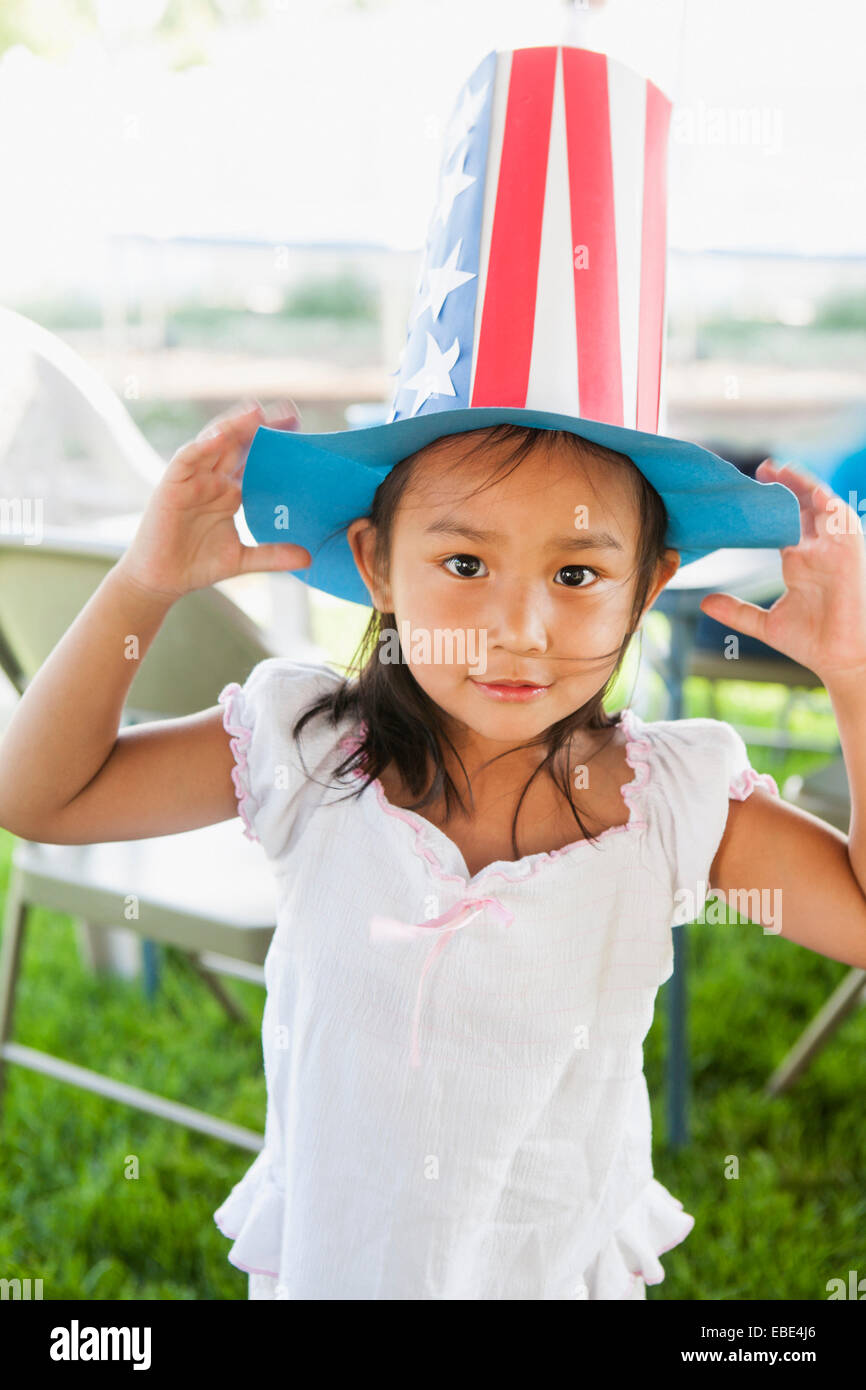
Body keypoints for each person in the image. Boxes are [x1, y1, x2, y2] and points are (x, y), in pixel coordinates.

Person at [2, 395, 866, 1302]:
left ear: (647, 587)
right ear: (377, 566)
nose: (518, 628)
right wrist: (145, 583)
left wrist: (851, 674)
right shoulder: (308, 747)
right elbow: (41, 797)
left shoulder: (669, 802)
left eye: (577, 575)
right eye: (464, 562)